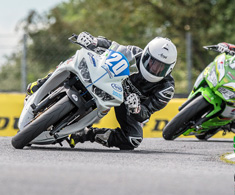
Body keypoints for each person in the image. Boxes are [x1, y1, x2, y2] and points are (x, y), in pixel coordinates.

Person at [27, 32, 177, 150]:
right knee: (80, 57)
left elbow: (146, 113)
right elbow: (113, 46)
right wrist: (94, 41)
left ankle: (85, 134)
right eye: (151, 61)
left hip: (127, 104)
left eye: (160, 67)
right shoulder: (134, 53)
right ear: (146, 54)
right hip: (109, 82)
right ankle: (43, 83)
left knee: (133, 139)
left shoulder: (166, 89)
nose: (153, 68)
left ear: (169, 69)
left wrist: (137, 109)